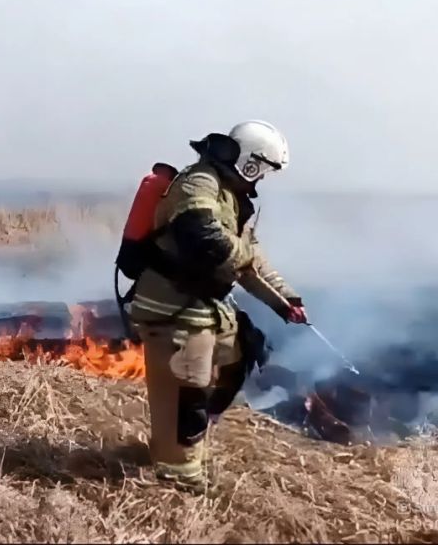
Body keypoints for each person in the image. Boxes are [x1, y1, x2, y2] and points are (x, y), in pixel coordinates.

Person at [128, 120, 309, 492]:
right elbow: (204, 238)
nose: (261, 181)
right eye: (263, 171)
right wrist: (242, 257)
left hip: (202, 306)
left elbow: (250, 261)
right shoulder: (200, 183)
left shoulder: (230, 196)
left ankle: (187, 438)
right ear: (250, 163)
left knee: (243, 350)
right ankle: (180, 477)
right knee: (187, 396)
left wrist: (286, 299)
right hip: (173, 309)